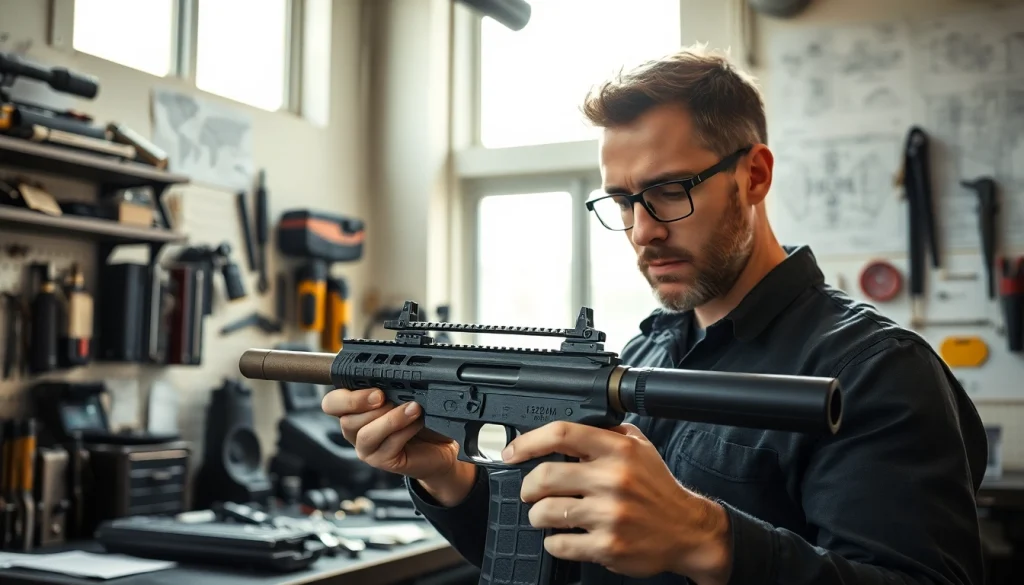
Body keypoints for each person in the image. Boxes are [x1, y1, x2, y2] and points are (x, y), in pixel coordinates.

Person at [321, 44, 988, 585]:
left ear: (754, 176)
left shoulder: (875, 371)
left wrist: (710, 539)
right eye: (621, 200)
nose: (642, 230)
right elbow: (554, 557)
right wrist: (445, 474)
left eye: (668, 191)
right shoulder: (645, 354)